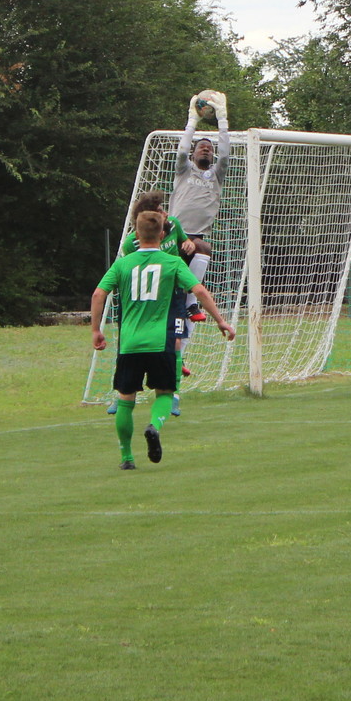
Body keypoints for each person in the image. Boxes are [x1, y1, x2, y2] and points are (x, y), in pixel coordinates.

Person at [90, 210, 234, 469]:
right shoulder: (172, 262)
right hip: (162, 342)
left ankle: (126, 458)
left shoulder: (123, 264)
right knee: (166, 394)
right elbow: (199, 290)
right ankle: (154, 426)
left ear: (136, 234)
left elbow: (98, 294)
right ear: (163, 233)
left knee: (125, 399)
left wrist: (96, 331)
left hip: (130, 343)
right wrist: (221, 321)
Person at [108, 191, 195, 417]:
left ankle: (173, 396)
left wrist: (188, 244)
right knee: (128, 340)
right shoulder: (131, 243)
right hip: (139, 301)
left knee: (175, 342)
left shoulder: (173, 225)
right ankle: (123, 395)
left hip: (172, 295)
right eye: (159, 211)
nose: (164, 213)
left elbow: (185, 241)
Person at [169, 92, 229, 301]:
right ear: (194, 154)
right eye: (201, 147)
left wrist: (222, 118)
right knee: (172, 281)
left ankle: (192, 301)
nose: (206, 150)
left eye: (209, 149)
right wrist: (192, 120)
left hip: (197, 236)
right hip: (175, 233)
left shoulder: (216, 174)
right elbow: (182, 150)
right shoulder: (184, 169)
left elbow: (225, 153)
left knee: (203, 247)